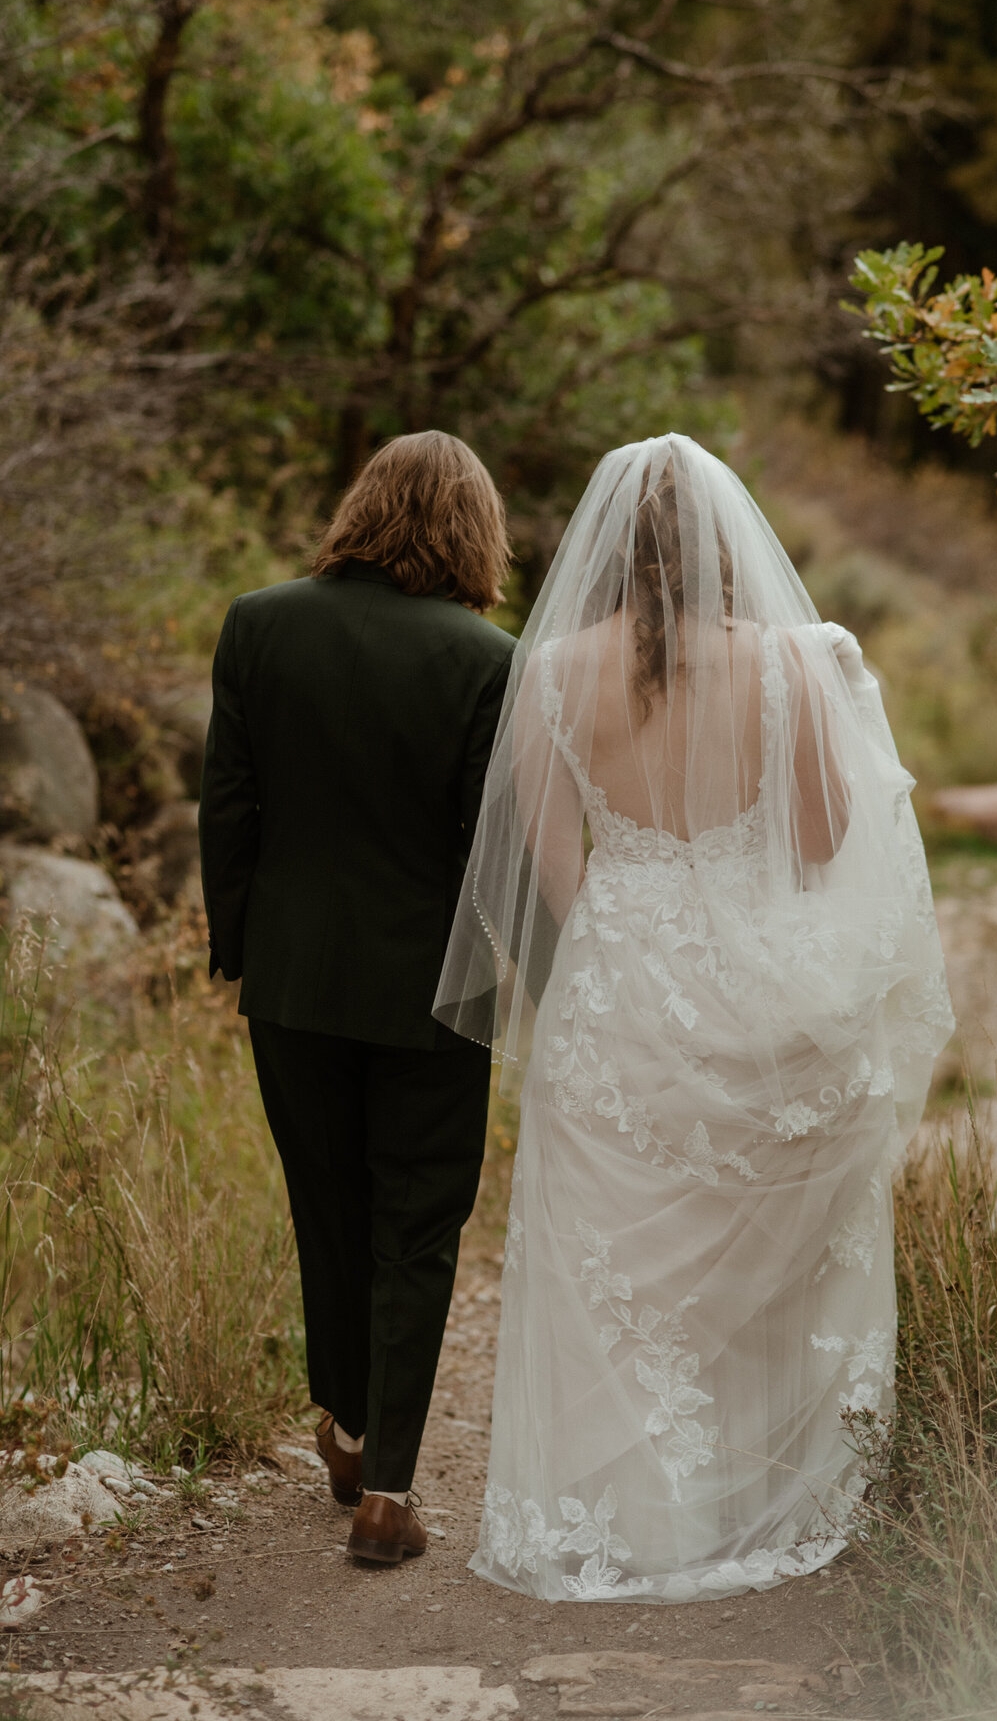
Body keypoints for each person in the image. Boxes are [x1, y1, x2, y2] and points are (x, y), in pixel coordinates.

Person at [434, 434, 953, 1603]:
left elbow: (549, 862)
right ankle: (750, 1493)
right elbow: (823, 838)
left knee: (612, 1268)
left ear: (605, 551)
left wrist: (633, 931)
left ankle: (629, 1519)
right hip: (761, 989)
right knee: (758, 1257)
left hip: (620, 992)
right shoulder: (788, 665)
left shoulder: (552, 669)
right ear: (730, 549)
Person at [199, 430, 515, 1566]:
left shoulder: (258, 623)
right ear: (472, 528)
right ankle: (388, 1493)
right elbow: (492, 854)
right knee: (417, 1230)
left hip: (292, 981)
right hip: (434, 994)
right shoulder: (487, 661)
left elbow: (229, 805)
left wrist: (237, 945)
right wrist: (503, 979)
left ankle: (339, 1423)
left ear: (361, 509)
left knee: (323, 1205)